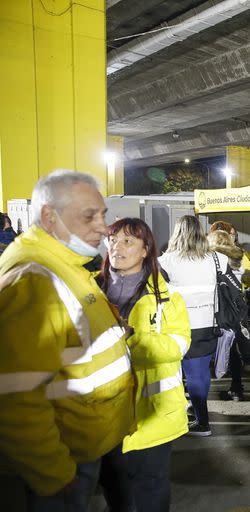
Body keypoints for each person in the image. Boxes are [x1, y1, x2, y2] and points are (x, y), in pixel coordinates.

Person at [0, 170, 134, 508]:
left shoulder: (63, 263)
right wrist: (54, 475)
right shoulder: (35, 278)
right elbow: (15, 395)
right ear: (49, 217)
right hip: (67, 459)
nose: (103, 228)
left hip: (85, 444)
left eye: (103, 214)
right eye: (90, 216)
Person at [98, 218, 191, 512]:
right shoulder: (89, 291)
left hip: (153, 418)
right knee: (116, 496)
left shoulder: (167, 298)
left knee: (151, 496)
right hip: (100, 417)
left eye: (128, 241)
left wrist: (131, 340)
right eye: (113, 239)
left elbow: (179, 345)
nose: (117, 246)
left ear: (145, 250)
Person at [159, 215, 229, 436]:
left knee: (178, 374)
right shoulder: (217, 258)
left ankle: (201, 421)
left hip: (179, 325)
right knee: (200, 374)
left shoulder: (166, 261)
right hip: (210, 323)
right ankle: (198, 413)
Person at [207, 230, 250, 402]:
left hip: (214, 308)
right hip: (236, 306)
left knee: (209, 348)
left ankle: (204, 387)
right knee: (233, 348)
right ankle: (237, 388)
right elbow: (248, 280)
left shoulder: (210, 258)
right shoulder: (240, 257)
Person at [209, 220, 250, 289]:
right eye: (231, 234)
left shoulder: (205, 254)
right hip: (234, 295)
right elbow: (247, 278)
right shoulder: (236, 253)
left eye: (234, 235)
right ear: (223, 235)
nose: (233, 237)